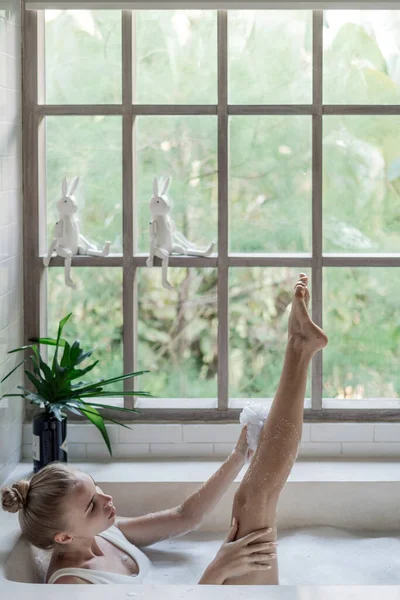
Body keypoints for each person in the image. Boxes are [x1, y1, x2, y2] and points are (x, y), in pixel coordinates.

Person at [1, 272, 326, 586]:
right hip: (204, 588)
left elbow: (184, 517)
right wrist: (218, 568)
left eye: (95, 488)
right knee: (253, 500)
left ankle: (298, 347)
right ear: (64, 537)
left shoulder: (102, 531)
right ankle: (297, 348)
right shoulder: (72, 584)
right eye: (90, 505)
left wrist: (238, 456)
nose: (106, 498)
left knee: (251, 497)